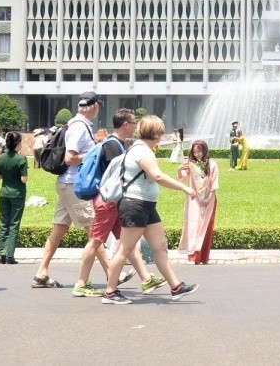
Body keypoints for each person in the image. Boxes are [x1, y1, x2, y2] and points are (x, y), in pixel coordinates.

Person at [101, 115, 199, 305]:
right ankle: (110, 292)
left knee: (160, 246)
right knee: (125, 249)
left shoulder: (142, 149)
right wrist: (184, 188)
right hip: (135, 205)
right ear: (155, 133)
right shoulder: (141, 151)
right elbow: (157, 176)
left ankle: (176, 287)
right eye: (161, 131)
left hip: (146, 205)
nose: (162, 135)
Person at [72, 109, 166, 297]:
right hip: (108, 202)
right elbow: (118, 177)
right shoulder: (113, 146)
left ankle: (146, 278)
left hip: (114, 202)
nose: (135, 126)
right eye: (133, 123)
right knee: (96, 241)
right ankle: (81, 283)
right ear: (125, 124)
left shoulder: (117, 144)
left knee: (126, 243)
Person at [32, 91, 101, 289]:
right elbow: (70, 158)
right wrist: (95, 153)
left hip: (67, 183)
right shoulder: (79, 127)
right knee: (94, 231)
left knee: (59, 229)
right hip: (74, 185)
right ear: (95, 106)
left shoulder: (77, 124)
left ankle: (41, 273)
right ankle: (113, 273)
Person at [178, 140, 219, 264]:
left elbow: (214, 184)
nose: (197, 155)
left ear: (204, 151)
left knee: (205, 227)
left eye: (199, 152)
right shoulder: (190, 164)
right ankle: (193, 256)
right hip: (194, 199)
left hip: (209, 199)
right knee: (193, 226)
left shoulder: (212, 164)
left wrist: (208, 197)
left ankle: (203, 256)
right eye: (195, 152)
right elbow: (182, 177)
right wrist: (180, 169)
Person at [0, 131, 28, 265]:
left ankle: (1, 254)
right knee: (14, 224)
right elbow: (24, 179)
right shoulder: (21, 159)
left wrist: (7, 174)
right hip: (17, 194)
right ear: (18, 143)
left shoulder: (1, 157)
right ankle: (10, 255)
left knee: (3, 223)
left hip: (4, 193)